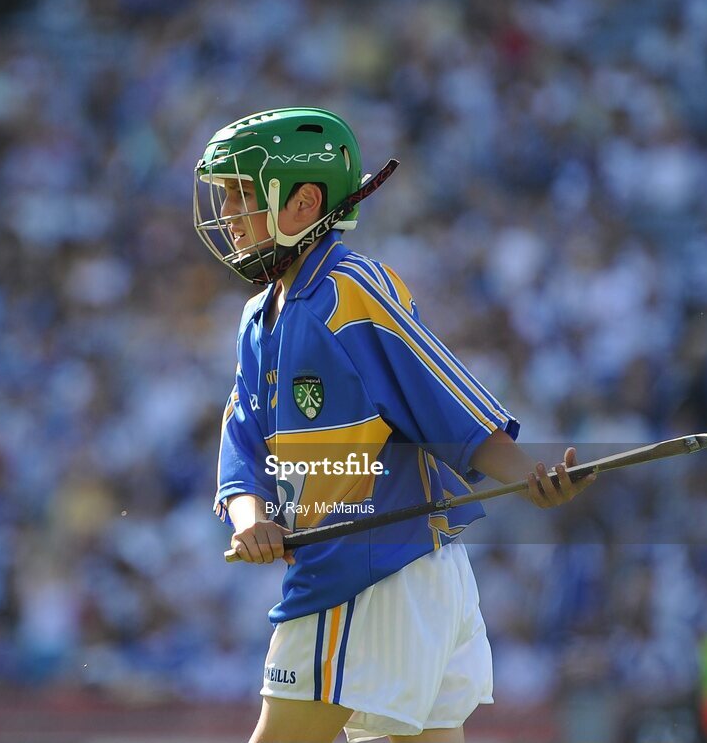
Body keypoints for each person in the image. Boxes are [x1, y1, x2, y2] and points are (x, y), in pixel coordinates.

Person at [195, 107, 595, 743]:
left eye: (242, 194)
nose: (227, 211)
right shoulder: (258, 316)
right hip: (399, 575)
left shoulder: (347, 288)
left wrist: (529, 476)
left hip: (367, 572)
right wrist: (250, 519)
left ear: (302, 204)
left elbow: (440, 391)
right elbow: (241, 439)